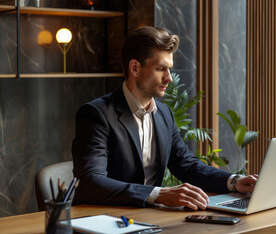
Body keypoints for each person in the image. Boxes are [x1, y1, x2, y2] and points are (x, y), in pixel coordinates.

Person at [72, 26, 257, 211]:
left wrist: (234, 182)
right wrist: (158, 194)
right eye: (161, 69)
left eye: (169, 69)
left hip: (152, 219)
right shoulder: (96, 114)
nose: (169, 78)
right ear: (135, 68)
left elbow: (187, 166)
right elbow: (90, 181)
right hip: (105, 220)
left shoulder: (164, 114)